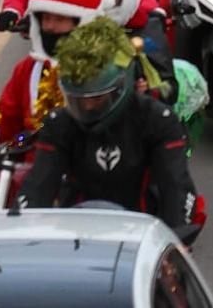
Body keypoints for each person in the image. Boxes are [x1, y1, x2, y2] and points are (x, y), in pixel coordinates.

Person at [17, 17, 202, 243]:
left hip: (144, 239)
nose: (87, 107)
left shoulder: (157, 120)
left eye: (97, 98)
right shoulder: (59, 123)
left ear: (121, 86)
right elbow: (39, 183)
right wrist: (22, 232)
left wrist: (177, 240)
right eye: (78, 100)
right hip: (74, 238)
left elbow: (177, 186)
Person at [0, 0, 110, 142]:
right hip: (35, 166)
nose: (49, 27)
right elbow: (6, 120)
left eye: (59, 19)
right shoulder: (28, 69)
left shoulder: (110, 69)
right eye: (46, 19)